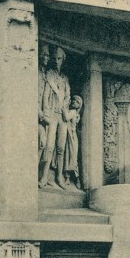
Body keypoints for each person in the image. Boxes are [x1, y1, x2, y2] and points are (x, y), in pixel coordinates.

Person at [38, 46, 70, 188]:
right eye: (55, 58)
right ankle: (44, 176)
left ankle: (59, 176)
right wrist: (45, 113)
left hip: (61, 116)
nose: (57, 61)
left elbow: (68, 95)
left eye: (59, 59)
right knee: (49, 147)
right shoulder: (49, 74)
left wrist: (65, 106)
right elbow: (45, 95)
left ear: (63, 60)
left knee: (60, 148)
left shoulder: (65, 78)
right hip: (51, 114)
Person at [56, 95, 82, 190]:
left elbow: (66, 117)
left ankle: (76, 178)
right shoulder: (74, 112)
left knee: (72, 157)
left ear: (79, 105)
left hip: (72, 137)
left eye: (77, 102)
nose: (74, 102)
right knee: (67, 156)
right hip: (68, 136)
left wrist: (62, 108)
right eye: (73, 100)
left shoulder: (73, 112)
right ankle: (67, 177)